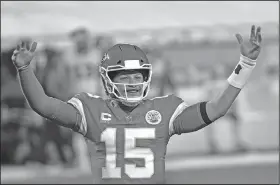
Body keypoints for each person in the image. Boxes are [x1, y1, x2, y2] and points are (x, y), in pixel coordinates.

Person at [12, 25, 262, 184]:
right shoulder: (90, 109)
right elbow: (43, 105)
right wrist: (25, 69)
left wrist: (245, 66)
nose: (132, 83)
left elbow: (216, 109)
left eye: (137, 76)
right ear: (108, 80)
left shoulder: (164, 111)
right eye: (124, 77)